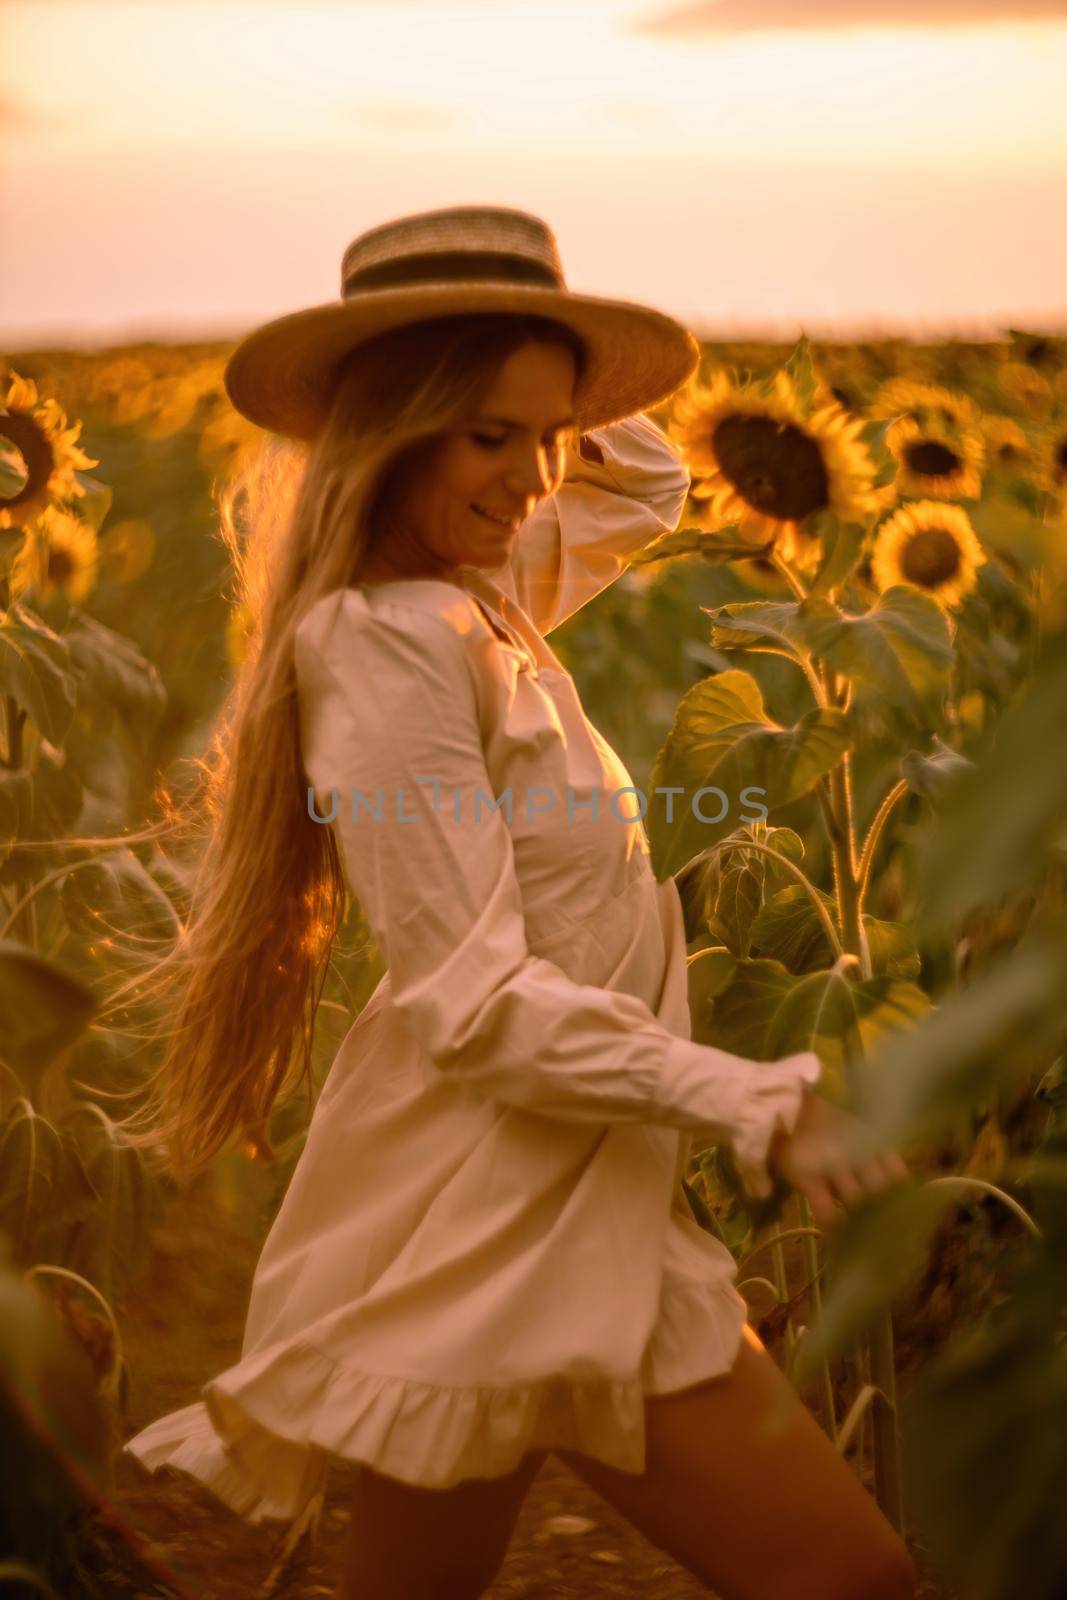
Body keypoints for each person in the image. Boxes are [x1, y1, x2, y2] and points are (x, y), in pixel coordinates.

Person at [121, 205, 917, 1600]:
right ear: (393, 428)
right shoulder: (388, 645)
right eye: (491, 436)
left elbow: (655, 480)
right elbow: (475, 1004)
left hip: (549, 1201)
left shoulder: (480, 593)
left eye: (551, 437)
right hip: (509, 1215)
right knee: (857, 1583)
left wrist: (547, 375)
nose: (536, 481)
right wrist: (749, 1098)